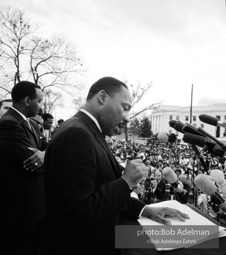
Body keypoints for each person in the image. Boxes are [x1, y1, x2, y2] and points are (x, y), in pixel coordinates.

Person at [41, 77, 189, 255]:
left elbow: (100, 188)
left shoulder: (89, 131)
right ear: (102, 97)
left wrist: (144, 209)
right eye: (125, 108)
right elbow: (75, 212)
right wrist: (126, 182)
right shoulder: (76, 134)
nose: (127, 118)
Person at [0, 81, 46, 255]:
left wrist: (45, 155)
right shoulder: (9, 124)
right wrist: (43, 156)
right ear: (27, 100)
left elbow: (48, 147)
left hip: (36, 207)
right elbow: (32, 163)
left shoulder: (32, 124)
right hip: (20, 211)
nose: (41, 106)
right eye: (39, 101)